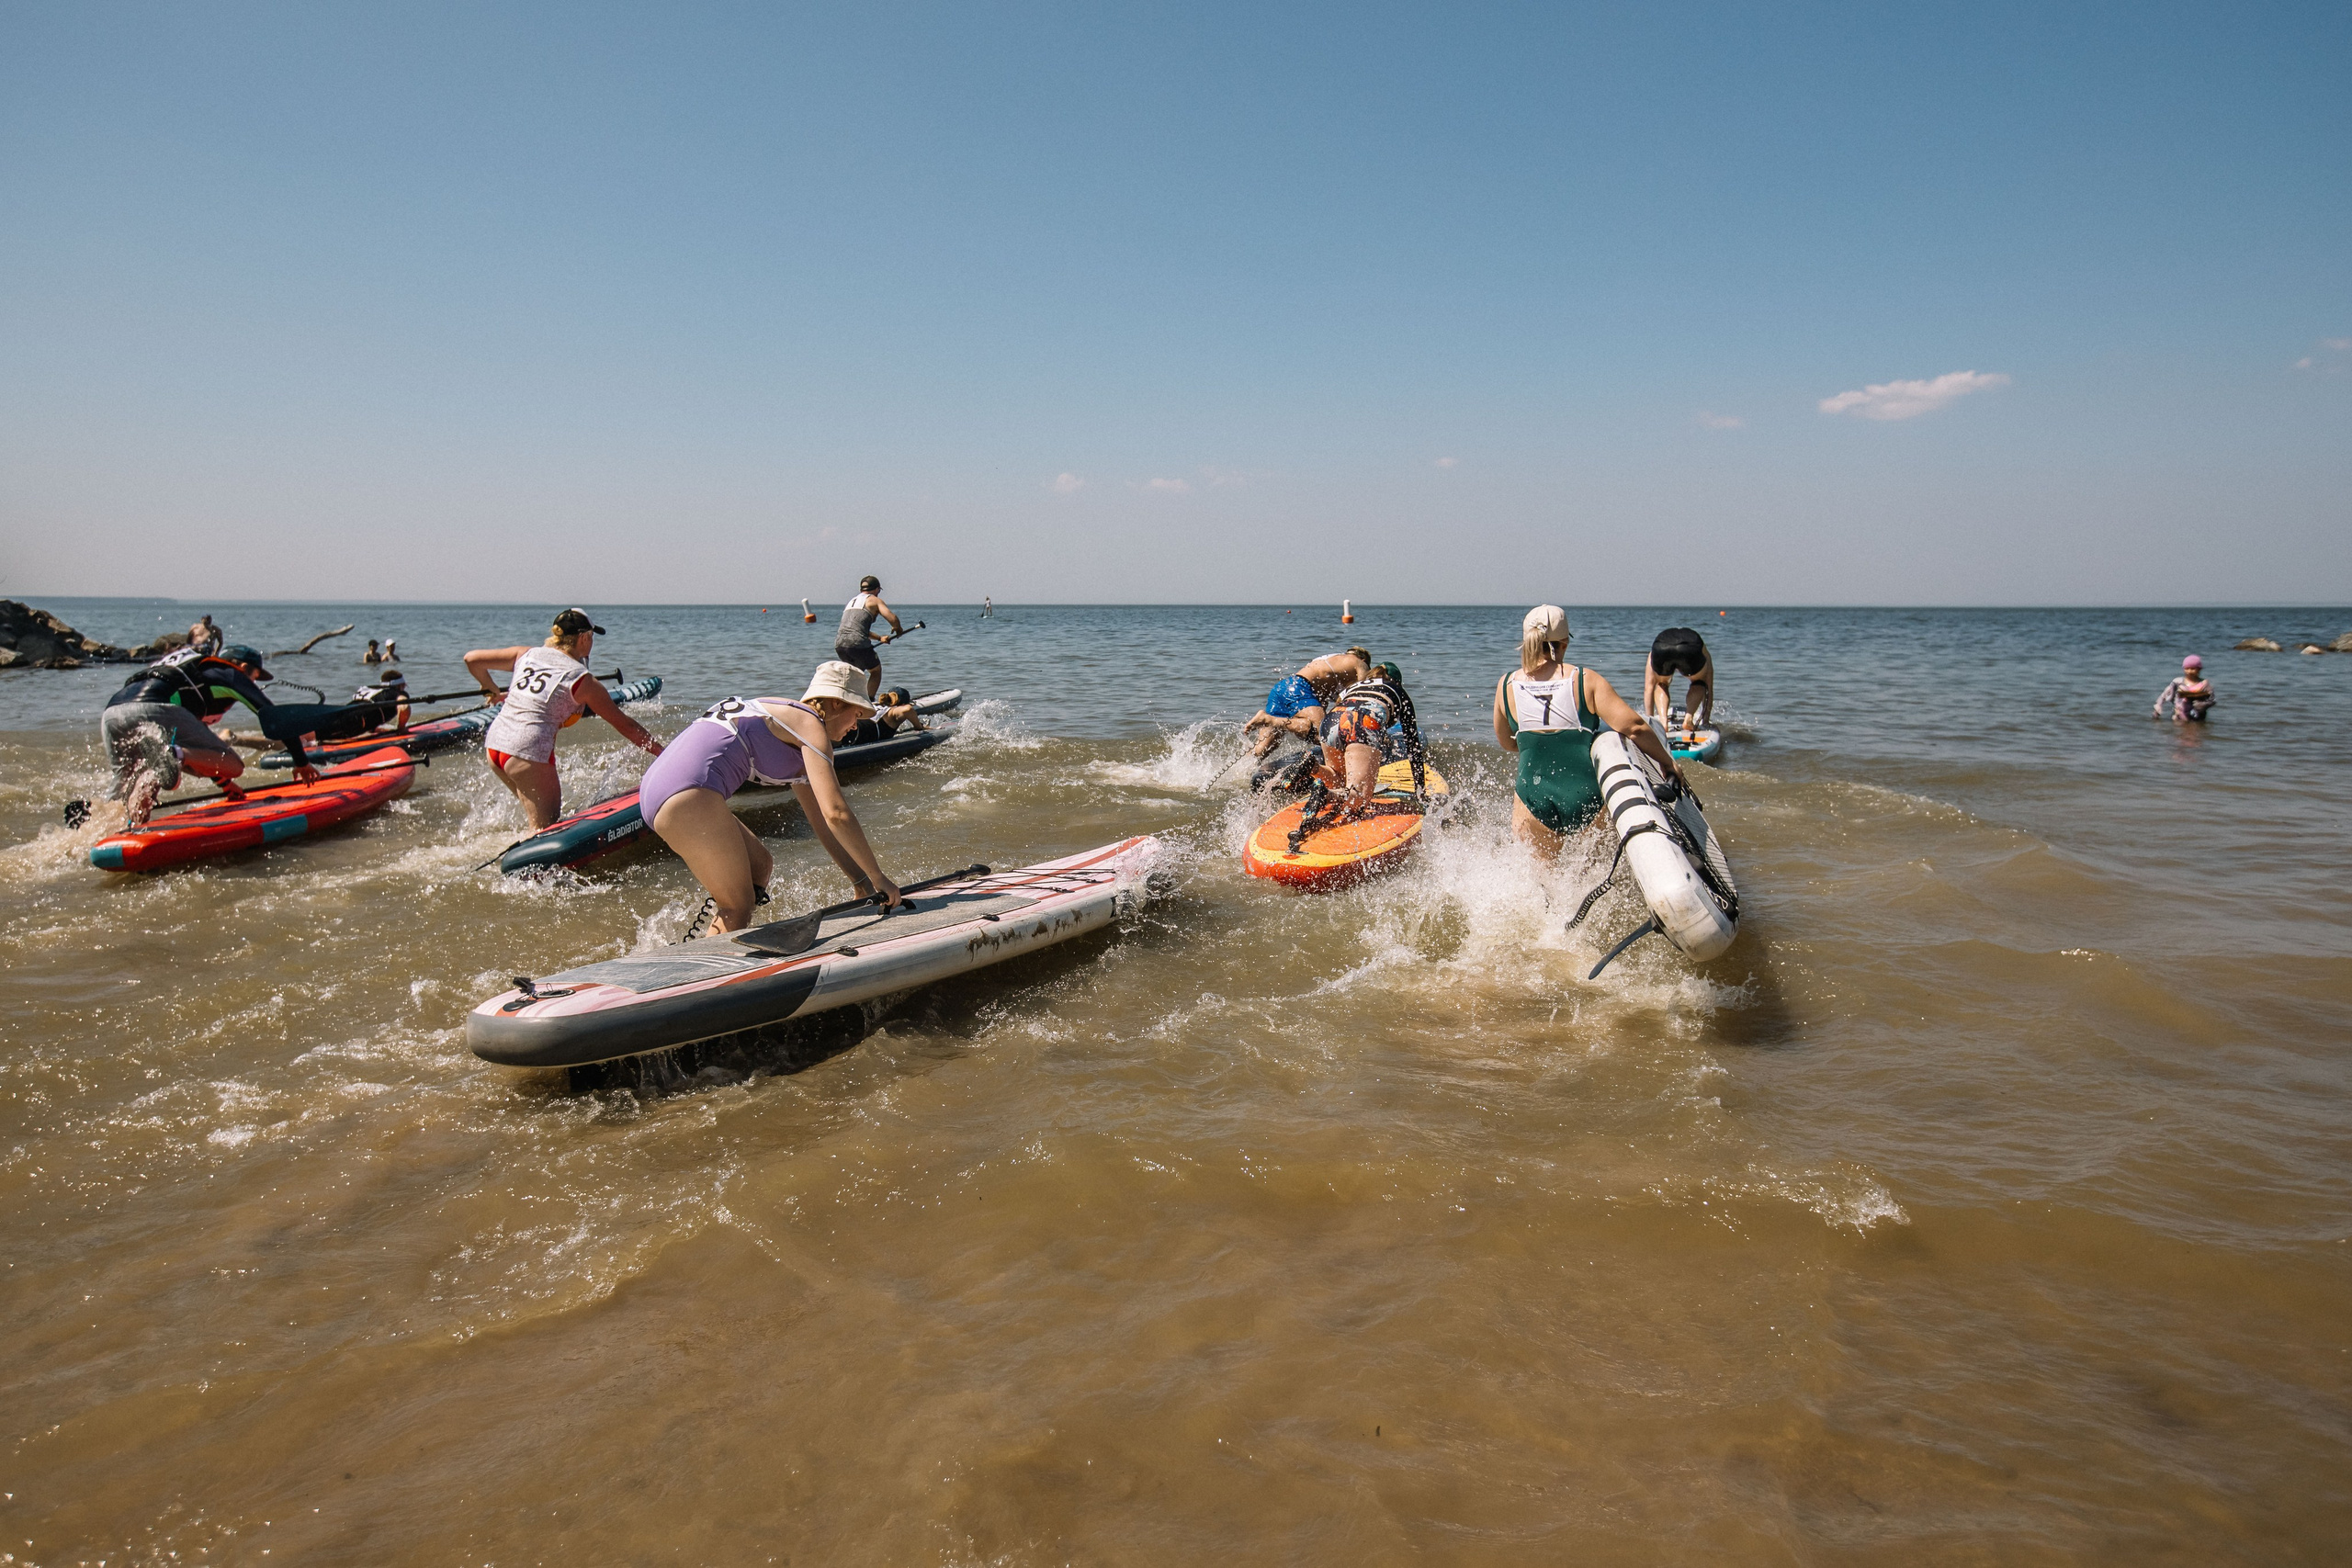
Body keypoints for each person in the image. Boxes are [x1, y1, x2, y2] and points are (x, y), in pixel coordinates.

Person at [639, 661, 905, 934]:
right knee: (737, 906)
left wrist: (861, 882)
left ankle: (720, 944)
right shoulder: (810, 725)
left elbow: (822, 822)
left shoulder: (789, 722)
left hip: (656, 788)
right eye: (857, 714)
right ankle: (717, 969)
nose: (855, 726)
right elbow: (836, 813)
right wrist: (878, 877)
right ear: (836, 704)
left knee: (759, 865)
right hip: (686, 795)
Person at [1495, 605, 1685, 858]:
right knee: (1590, 876)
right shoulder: (1585, 680)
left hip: (1533, 795)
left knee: (1543, 884)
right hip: (1585, 797)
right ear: (1563, 643)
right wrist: (1668, 763)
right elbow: (1635, 728)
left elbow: (1507, 743)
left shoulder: (1506, 684)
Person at [464, 609, 662, 829]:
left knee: (536, 819)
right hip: (527, 752)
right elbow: (626, 725)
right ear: (584, 638)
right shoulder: (582, 680)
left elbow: (472, 660)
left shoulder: (526, 654)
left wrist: (490, 690)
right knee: (544, 829)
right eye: (592, 638)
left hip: (495, 745)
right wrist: (663, 754)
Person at [99, 644, 321, 828]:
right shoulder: (230, 673)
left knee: (131, 783)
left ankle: (106, 827)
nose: (253, 684)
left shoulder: (190, 671)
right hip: (154, 708)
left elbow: (200, 741)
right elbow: (275, 718)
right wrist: (301, 762)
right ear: (243, 667)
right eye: (254, 678)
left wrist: (225, 785)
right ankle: (174, 754)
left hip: (112, 713)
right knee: (234, 765)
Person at [1317, 662, 1427, 805]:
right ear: (1397, 681)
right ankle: (1326, 793)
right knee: (1360, 798)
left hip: (1330, 720)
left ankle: (1312, 767)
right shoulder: (1399, 691)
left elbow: (1341, 707)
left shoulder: (1354, 686)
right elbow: (1413, 747)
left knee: (1339, 781)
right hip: (1364, 719)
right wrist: (1421, 792)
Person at [1242, 647, 1372, 757]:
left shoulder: (1330, 661)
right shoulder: (1360, 664)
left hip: (1282, 687)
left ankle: (1242, 770)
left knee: (1263, 748)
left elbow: (1323, 706)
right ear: (1364, 660)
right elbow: (1361, 696)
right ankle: (1268, 719)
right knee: (1324, 735)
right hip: (1300, 688)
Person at [834, 575, 904, 702]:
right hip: (857, 644)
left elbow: (857, 629)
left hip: (840, 645)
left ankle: (849, 702)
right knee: (876, 671)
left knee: (856, 674)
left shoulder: (851, 602)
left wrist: (879, 638)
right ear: (877, 589)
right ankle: (869, 702)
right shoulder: (874, 600)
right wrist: (898, 628)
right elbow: (892, 618)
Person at [1643, 626, 1714, 728]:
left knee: (1661, 683)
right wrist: (1705, 721)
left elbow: (1648, 688)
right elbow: (1708, 688)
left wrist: (1649, 723)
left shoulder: (1653, 651)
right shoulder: (1703, 650)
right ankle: (1688, 719)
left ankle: (1663, 722)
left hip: (1661, 648)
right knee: (1699, 682)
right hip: (1690, 649)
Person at [842, 686, 929, 747]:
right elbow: (908, 710)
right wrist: (919, 727)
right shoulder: (892, 712)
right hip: (854, 736)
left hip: (845, 727)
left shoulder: (873, 704)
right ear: (902, 704)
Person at [2154, 656, 2216, 722]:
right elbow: (2164, 695)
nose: (2189, 671)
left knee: (2197, 730)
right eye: (2187, 668)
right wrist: (2158, 708)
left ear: (2199, 669)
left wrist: (2200, 705)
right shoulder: (2178, 682)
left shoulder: (2204, 684)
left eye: (2193, 669)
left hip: (2198, 718)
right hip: (2179, 716)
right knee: (2179, 730)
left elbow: (2212, 700)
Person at [350, 670, 412, 734]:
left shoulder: (367, 690)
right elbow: (404, 707)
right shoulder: (395, 693)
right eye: (404, 685)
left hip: (343, 716)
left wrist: (373, 729)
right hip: (356, 725)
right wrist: (401, 728)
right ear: (399, 686)